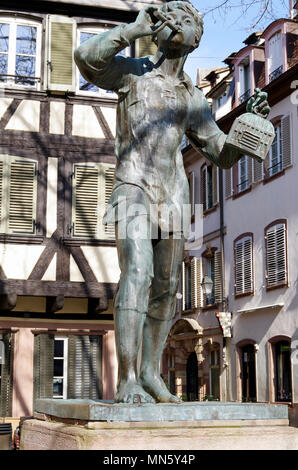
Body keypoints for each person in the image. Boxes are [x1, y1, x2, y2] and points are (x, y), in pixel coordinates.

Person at [74, 1, 269, 404]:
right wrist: (132, 31)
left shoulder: (193, 98)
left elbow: (219, 151)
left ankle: (149, 374)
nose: (184, 27)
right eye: (175, 20)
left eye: (191, 22)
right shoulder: (131, 75)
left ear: (197, 40)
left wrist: (250, 124)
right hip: (133, 187)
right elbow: (85, 58)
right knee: (139, 275)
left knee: (167, 287)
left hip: (176, 195)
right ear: (158, 32)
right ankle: (126, 378)